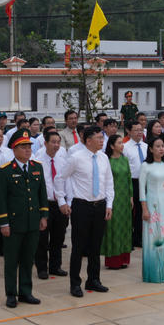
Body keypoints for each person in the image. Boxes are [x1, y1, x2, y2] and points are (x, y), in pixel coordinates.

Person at [55, 125, 115, 298]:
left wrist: (109, 204)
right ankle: (75, 283)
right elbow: (60, 177)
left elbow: (109, 183)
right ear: (88, 140)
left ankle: (93, 280)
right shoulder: (76, 158)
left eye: (102, 138)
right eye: (99, 138)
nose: (102, 141)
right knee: (79, 247)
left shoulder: (103, 158)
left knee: (96, 246)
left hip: (100, 205)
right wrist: (61, 201)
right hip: (82, 206)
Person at [0, 134, 49, 308]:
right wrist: (3, 223)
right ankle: (11, 293)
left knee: (28, 259)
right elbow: (1, 199)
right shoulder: (5, 170)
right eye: (23, 147)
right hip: (14, 223)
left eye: (29, 146)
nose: (28, 150)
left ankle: (26, 292)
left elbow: (42, 193)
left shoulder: (36, 167)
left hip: (32, 222)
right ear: (14, 149)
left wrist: (43, 216)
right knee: (12, 260)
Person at [33, 130, 70, 280]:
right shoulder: (37, 160)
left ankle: (55, 266)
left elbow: (68, 181)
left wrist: (67, 202)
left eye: (58, 142)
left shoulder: (63, 158)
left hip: (60, 203)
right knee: (42, 237)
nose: (56, 145)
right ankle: (42, 267)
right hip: (44, 203)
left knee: (58, 236)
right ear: (45, 143)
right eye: (53, 142)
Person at [140, 136, 164, 283]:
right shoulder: (146, 166)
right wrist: (144, 209)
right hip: (152, 204)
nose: (161, 148)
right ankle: (153, 273)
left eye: (162, 146)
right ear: (150, 149)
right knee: (153, 238)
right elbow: (142, 190)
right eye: (157, 146)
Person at [101, 134, 134, 269]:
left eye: (122, 142)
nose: (122, 145)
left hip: (125, 198)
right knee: (113, 228)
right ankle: (113, 260)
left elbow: (128, 178)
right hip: (113, 199)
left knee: (125, 227)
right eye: (119, 143)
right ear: (112, 146)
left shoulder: (125, 159)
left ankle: (124, 258)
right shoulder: (107, 160)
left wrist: (131, 196)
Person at [124, 122, 148, 249]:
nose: (139, 132)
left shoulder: (146, 146)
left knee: (141, 211)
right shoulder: (125, 147)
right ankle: (130, 237)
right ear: (130, 132)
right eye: (136, 130)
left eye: (141, 130)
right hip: (132, 181)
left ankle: (139, 237)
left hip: (145, 182)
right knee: (131, 211)